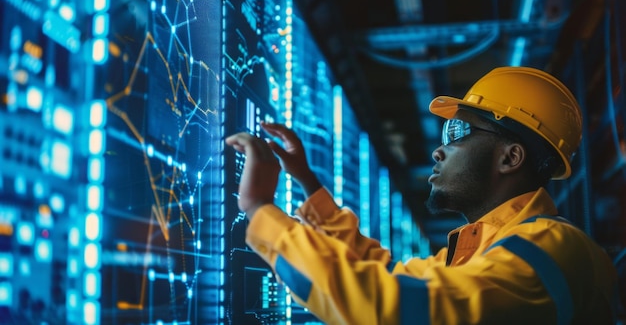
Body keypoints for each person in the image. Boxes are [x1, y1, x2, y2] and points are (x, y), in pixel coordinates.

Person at [226, 66, 618, 324]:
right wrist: (309, 184)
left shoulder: (550, 251)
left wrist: (260, 211)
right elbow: (387, 275)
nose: (439, 149)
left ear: (510, 157)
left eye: (457, 133)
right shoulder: (494, 251)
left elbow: (399, 307)